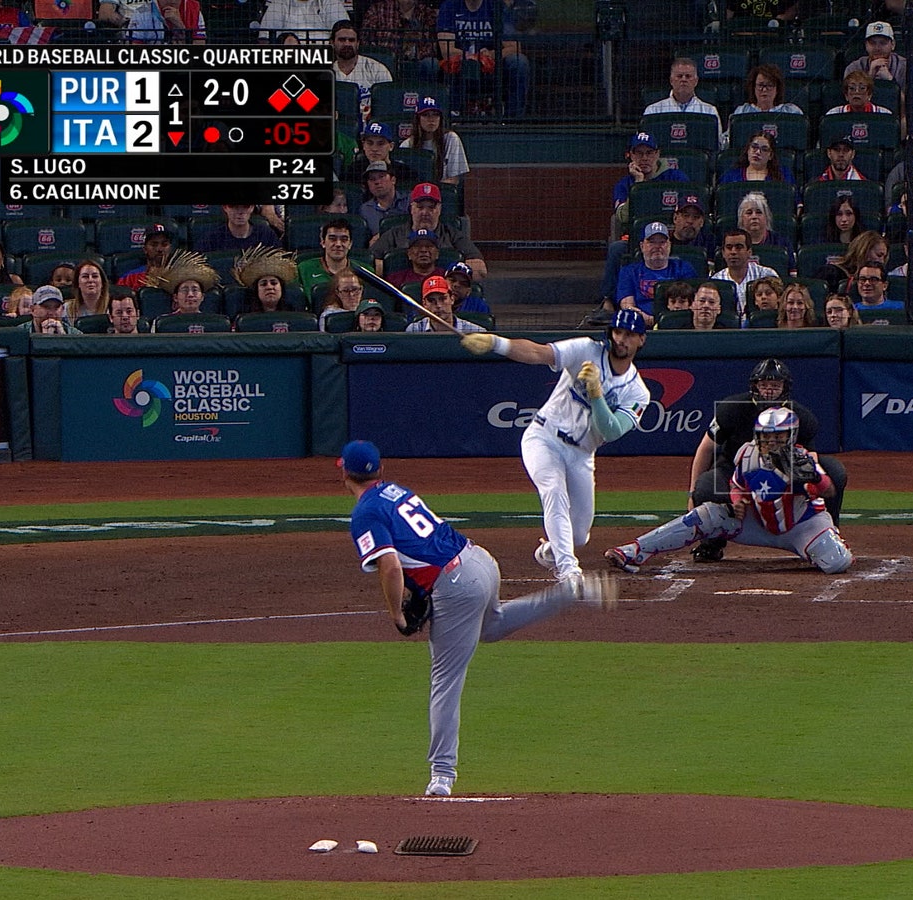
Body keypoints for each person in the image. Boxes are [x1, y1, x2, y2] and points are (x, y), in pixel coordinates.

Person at [338, 439, 613, 799]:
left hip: (456, 585)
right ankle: (568, 593)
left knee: (445, 680)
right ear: (381, 469)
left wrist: (397, 615)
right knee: (492, 626)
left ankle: (441, 774)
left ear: (344, 474)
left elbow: (390, 566)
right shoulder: (395, 491)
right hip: (479, 560)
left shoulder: (365, 513)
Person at [459, 310, 651, 584]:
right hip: (544, 437)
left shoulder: (637, 392)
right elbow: (538, 353)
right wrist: (496, 343)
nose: (621, 339)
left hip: (581, 454)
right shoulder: (586, 350)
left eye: (629, 335)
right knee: (554, 490)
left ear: (641, 340)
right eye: (618, 332)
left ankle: (551, 550)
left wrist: (596, 395)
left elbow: (611, 431)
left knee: (579, 535)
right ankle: (569, 570)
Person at [608, 407, 852, 575]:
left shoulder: (803, 460)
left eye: (778, 437)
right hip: (758, 522)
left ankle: (825, 543)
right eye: (766, 437)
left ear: (790, 436)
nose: (771, 442)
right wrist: (737, 501)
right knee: (707, 515)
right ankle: (635, 550)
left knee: (836, 563)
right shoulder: (747, 454)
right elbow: (737, 484)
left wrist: (815, 478)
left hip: (802, 525)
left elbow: (828, 492)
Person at [682, 358, 848, 564]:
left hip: (784, 474)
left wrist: (811, 479)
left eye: (775, 386)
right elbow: (706, 449)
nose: (769, 391)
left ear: (785, 388)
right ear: (755, 386)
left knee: (834, 471)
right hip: (737, 471)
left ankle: (827, 535)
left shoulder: (801, 416)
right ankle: (711, 544)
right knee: (707, 485)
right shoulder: (731, 408)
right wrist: (692, 493)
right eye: (764, 385)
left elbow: (811, 457)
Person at [435, 0, 529, 117]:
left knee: (519, 62)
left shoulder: (498, 7)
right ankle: (450, 116)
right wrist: (472, 56)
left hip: (492, 68)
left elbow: (514, 47)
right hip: (459, 67)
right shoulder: (449, 6)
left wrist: (491, 54)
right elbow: (446, 50)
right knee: (432, 65)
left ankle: (513, 119)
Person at [370, 182, 486, 277]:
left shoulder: (452, 234)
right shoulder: (394, 234)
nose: (425, 213)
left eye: (431, 207)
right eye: (420, 207)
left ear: (439, 209)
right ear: (411, 208)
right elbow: (368, 262)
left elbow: (480, 269)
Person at [609, 131, 688, 243]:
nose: (644, 158)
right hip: (639, 236)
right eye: (639, 153)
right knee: (617, 248)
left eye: (649, 153)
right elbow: (623, 218)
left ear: (657, 154)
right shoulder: (623, 184)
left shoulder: (676, 177)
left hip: (673, 234)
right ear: (631, 155)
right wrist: (638, 184)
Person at [617, 222, 697, 322]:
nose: (657, 246)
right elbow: (626, 305)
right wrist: (646, 318)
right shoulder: (629, 271)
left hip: (677, 322)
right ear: (642, 246)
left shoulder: (684, 268)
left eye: (662, 242)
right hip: (640, 323)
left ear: (669, 245)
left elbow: (691, 302)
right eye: (652, 242)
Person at [331, 20, 393, 122]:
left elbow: (389, 104)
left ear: (358, 43)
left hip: (370, 127)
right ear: (332, 43)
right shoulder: (324, 72)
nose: (347, 44)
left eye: (351, 40)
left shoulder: (377, 69)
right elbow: (307, 103)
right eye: (342, 40)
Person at [711, 226, 776, 322]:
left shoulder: (766, 274)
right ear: (723, 253)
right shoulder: (716, 280)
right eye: (729, 248)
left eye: (739, 247)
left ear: (749, 252)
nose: (733, 252)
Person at [643, 57, 722, 132]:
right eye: (679, 76)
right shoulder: (653, 110)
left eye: (688, 76)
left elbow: (718, 140)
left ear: (696, 81)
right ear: (671, 80)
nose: (683, 79)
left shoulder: (710, 111)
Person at [403, 96, 469, 185]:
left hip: (442, 190)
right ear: (418, 119)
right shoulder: (407, 145)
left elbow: (454, 180)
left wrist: (431, 189)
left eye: (435, 115)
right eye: (426, 115)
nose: (431, 119)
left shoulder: (451, 139)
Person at [360, 0, 438, 71]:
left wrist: (415, 55)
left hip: (416, 62)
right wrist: (387, 54)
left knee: (431, 64)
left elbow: (432, 47)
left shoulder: (427, 13)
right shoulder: (377, 9)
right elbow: (365, 42)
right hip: (385, 61)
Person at [147, 251, 220, 325]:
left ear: (202, 297)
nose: (190, 295)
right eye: (185, 290)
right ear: (175, 297)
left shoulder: (213, 322)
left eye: (195, 290)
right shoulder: (162, 323)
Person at [297, 218, 361, 301]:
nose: (338, 244)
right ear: (323, 242)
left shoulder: (365, 272)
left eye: (344, 240)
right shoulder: (303, 269)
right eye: (332, 239)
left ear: (350, 244)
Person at [844, 21, 913, 87]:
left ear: (893, 45)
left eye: (883, 43)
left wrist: (890, 80)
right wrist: (869, 77)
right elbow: (850, 96)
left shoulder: (908, 68)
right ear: (866, 45)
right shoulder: (854, 68)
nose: (877, 48)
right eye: (872, 43)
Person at [817, 230, 888, 296]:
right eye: (879, 255)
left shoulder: (881, 278)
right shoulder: (831, 272)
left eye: (884, 257)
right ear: (863, 251)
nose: (882, 261)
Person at [99, 0, 206, 43]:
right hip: (128, 27)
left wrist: (181, 27)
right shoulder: (142, 13)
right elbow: (105, 14)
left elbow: (199, 53)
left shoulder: (192, 10)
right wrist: (129, 24)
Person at [406, 274, 484, 332]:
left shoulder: (475, 332)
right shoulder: (414, 330)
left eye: (443, 299)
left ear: (452, 299)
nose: (438, 305)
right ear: (424, 304)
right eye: (431, 300)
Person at [235, 246, 301, 314]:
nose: (269, 287)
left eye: (274, 283)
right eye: (263, 284)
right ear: (256, 290)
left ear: (281, 288)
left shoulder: (294, 314)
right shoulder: (244, 315)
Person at [350, 121, 418, 186]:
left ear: (391, 146)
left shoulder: (404, 172)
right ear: (363, 145)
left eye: (380, 144)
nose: (374, 149)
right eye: (370, 143)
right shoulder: (353, 171)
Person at [195, 204, 281, 252]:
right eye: (234, 206)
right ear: (225, 208)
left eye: (245, 206)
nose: (240, 212)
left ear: (252, 208)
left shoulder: (266, 235)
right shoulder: (212, 238)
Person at [358, 161, 408, 243]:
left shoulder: (409, 201)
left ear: (393, 180)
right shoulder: (365, 209)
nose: (377, 182)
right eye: (372, 179)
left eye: (381, 177)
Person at [117, 223, 176, 290]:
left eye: (164, 244)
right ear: (145, 249)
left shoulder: (179, 276)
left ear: (170, 248)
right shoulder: (129, 278)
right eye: (154, 245)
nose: (159, 249)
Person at [719, 132, 793, 184]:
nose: (758, 152)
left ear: (770, 155)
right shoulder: (731, 176)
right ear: (748, 150)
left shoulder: (784, 175)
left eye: (764, 149)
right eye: (754, 147)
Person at [731, 64, 803, 117]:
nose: (764, 89)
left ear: (777, 89)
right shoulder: (742, 111)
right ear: (754, 88)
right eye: (760, 85)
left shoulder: (792, 112)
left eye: (769, 85)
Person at [259, 0, 346, 42]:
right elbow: (265, 39)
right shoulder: (279, 3)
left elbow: (346, 34)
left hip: (326, 59)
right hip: (288, 61)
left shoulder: (331, 2)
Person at [826, 71, 892, 116]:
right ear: (846, 95)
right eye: (852, 88)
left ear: (869, 94)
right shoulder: (833, 114)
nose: (857, 92)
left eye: (862, 88)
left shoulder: (885, 115)